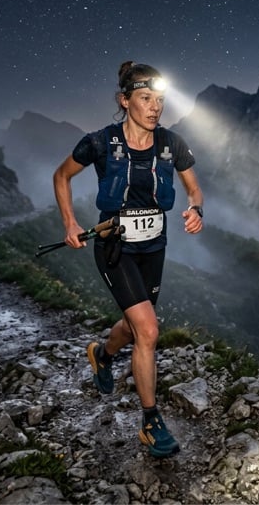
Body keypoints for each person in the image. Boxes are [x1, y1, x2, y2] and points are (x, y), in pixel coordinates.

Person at [53, 61, 203, 458]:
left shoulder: (172, 143)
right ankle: (151, 422)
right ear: (125, 100)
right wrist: (70, 223)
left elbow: (194, 190)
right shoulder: (101, 142)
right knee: (149, 330)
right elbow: (61, 176)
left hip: (154, 247)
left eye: (160, 100)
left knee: (137, 324)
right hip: (115, 246)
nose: (155, 107)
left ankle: (102, 355)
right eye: (145, 99)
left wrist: (195, 210)